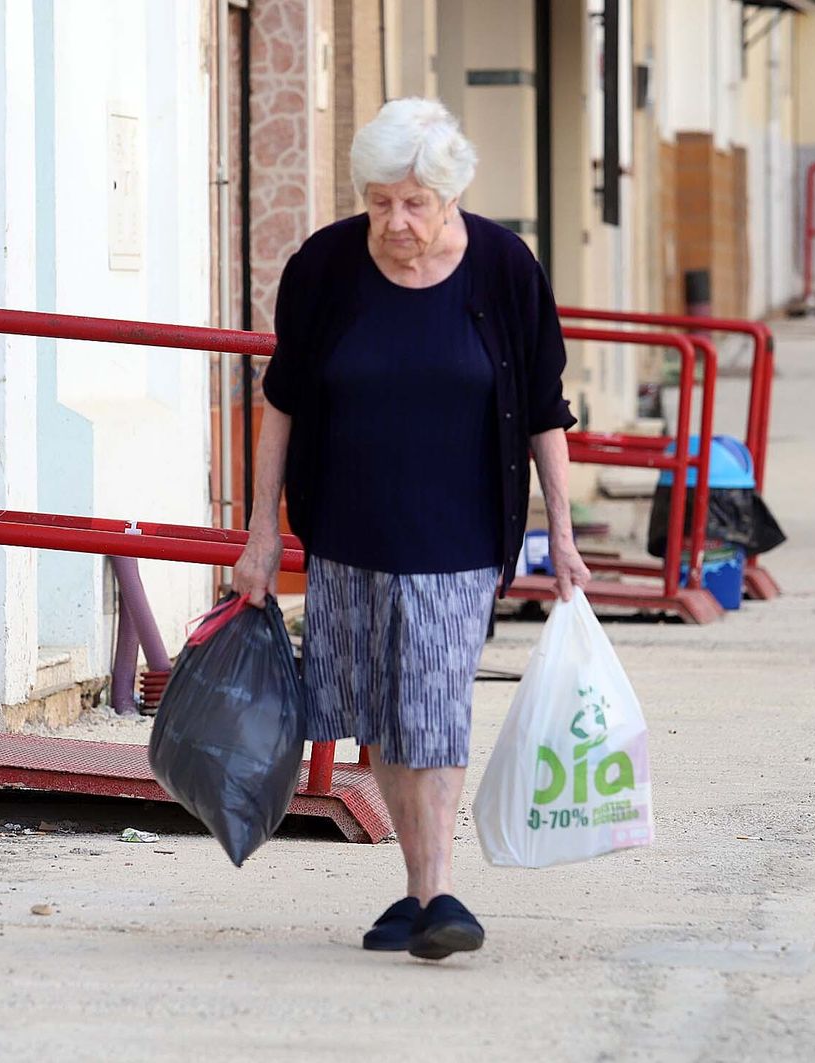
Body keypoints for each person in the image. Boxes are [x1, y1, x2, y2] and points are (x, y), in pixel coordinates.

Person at [232, 98, 590, 960]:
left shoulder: (503, 269)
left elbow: (544, 411)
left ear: (452, 197)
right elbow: (281, 403)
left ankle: (439, 892)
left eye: (415, 203)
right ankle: (418, 891)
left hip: (458, 534)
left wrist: (565, 534)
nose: (396, 222)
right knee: (380, 713)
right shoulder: (325, 266)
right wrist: (259, 533)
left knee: (432, 704)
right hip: (348, 529)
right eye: (381, 201)